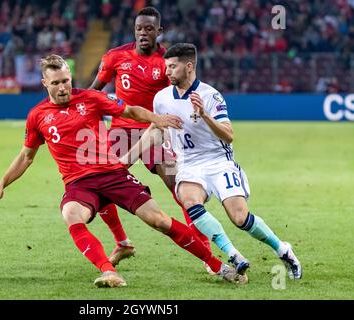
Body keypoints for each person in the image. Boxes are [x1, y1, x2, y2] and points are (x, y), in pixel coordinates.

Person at [0, 54, 246, 287]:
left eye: (66, 80)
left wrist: (157, 119)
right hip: (79, 184)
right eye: (56, 83)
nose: (63, 87)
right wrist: (1, 184)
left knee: (160, 221)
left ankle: (216, 264)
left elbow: (130, 110)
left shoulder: (91, 98)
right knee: (71, 214)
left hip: (114, 174)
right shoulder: (37, 115)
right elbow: (26, 157)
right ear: (44, 83)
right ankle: (108, 272)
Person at [123, 43, 302, 280]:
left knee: (240, 218)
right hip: (188, 164)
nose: (167, 71)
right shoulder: (161, 98)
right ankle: (233, 254)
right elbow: (156, 130)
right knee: (188, 201)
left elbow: (228, 135)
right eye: (166, 66)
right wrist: (126, 159)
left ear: (189, 67)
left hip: (219, 162)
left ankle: (282, 249)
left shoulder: (210, 95)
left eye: (172, 66)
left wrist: (205, 115)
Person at [89, 6, 216, 270]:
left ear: (159, 31)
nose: (143, 33)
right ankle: (122, 242)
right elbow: (94, 93)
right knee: (97, 184)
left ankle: (204, 247)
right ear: (134, 31)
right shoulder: (115, 57)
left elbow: (181, 95)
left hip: (155, 133)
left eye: (149, 29)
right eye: (139, 29)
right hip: (120, 133)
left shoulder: (167, 62)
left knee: (180, 188)